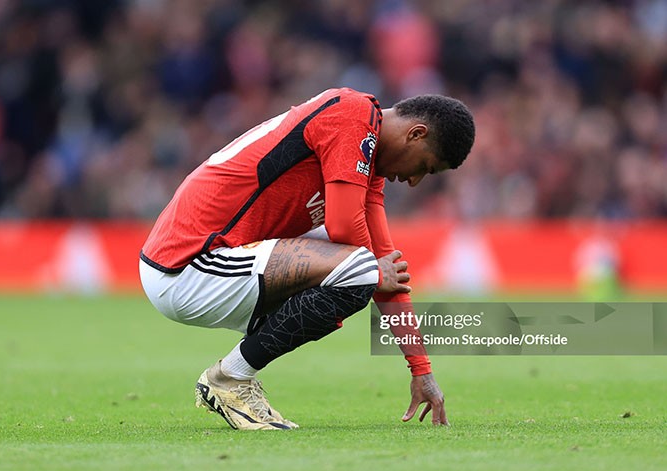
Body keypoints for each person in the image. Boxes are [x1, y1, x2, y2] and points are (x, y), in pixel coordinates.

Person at [139, 87, 475, 430]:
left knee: (361, 269)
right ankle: (229, 380)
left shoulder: (367, 166)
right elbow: (351, 237)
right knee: (359, 270)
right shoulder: (352, 115)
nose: (414, 181)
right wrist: (374, 270)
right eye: (424, 166)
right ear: (416, 134)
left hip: (212, 263)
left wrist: (421, 370)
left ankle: (231, 376)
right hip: (186, 263)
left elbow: (388, 270)